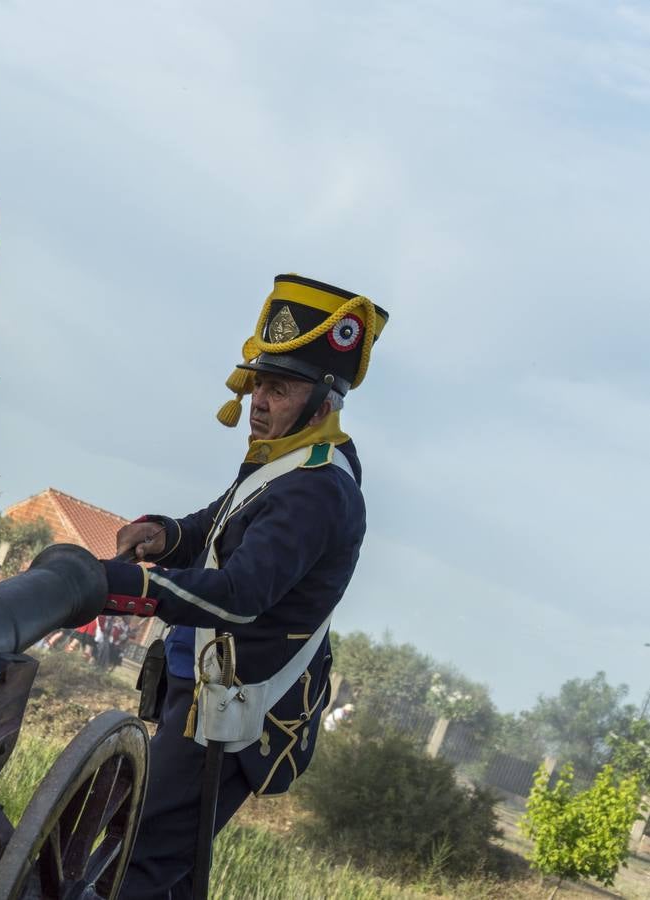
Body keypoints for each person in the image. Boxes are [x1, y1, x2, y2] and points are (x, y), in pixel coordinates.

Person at [99, 274, 389, 899]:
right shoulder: (285, 461)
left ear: (324, 402)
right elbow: (216, 526)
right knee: (156, 866)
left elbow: (240, 592)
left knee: (137, 863)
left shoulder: (317, 487)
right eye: (259, 382)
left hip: (237, 714)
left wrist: (132, 584)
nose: (258, 400)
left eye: (279, 388)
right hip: (203, 695)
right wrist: (161, 532)